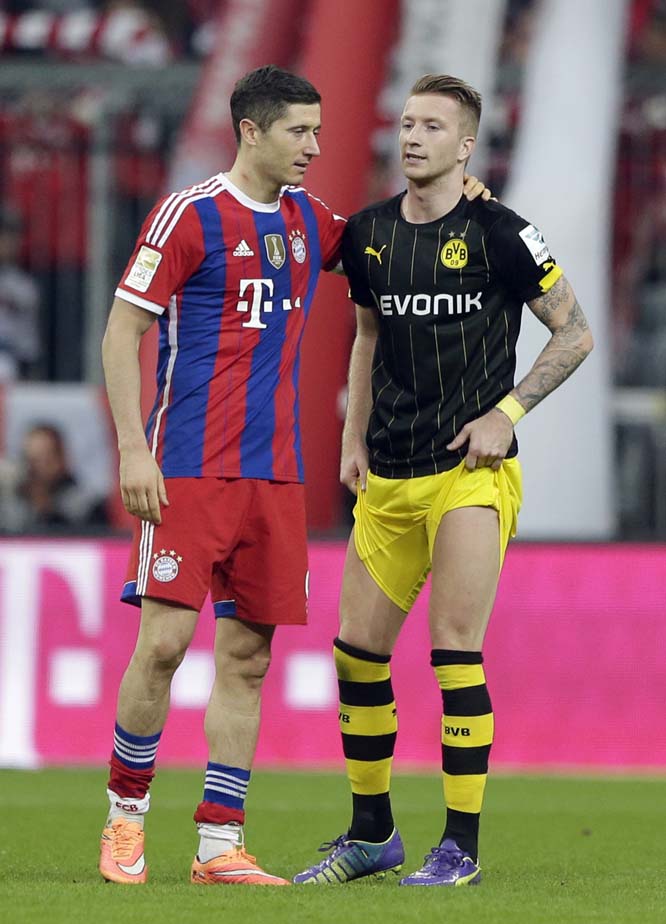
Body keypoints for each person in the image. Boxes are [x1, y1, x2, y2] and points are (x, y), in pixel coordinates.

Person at [99, 63, 488, 888]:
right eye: (299, 132)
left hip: (276, 477)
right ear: (252, 130)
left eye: (316, 130)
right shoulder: (191, 214)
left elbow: (393, 241)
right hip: (189, 467)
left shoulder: (313, 222)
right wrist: (133, 448)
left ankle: (218, 844)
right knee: (164, 645)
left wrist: (462, 190)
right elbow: (122, 329)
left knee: (246, 659)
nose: (315, 146)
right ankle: (125, 818)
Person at [294, 74, 593, 887]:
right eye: (407, 122)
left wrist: (509, 414)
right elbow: (364, 337)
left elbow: (574, 332)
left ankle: (459, 847)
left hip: (470, 472)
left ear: (467, 146)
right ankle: (372, 833)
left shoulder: (503, 233)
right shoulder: (367, 234)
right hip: (387, 473)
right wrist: (351, 438)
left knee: (454, 651)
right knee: (357, 656)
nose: (413, 135)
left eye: (434, 126)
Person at [0, 422, 110, 533]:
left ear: (61, 459)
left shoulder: (85, 506)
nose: (34, 469)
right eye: (29, 459)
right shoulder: (9, 506)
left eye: (44, 459)